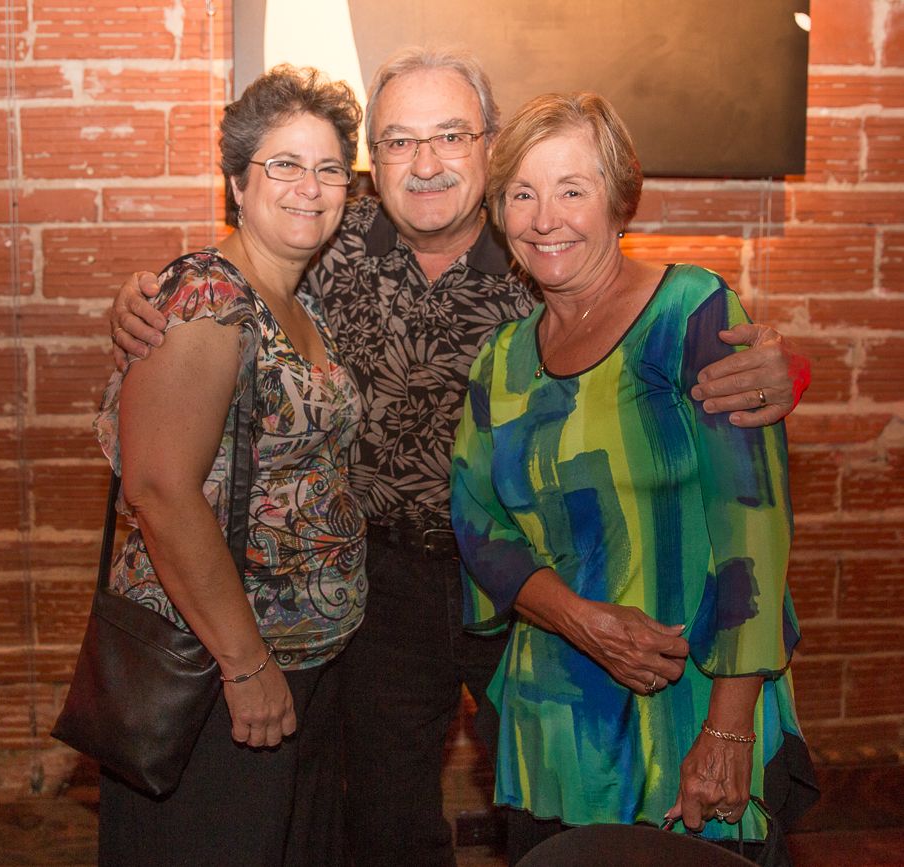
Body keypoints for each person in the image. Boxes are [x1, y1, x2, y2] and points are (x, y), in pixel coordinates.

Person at [109, 48, 810, 867]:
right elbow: (223, 303)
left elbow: (656, 341)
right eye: (400, 141)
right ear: (373, 159)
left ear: (489, 144)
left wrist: (788, 370)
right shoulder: (323, 238)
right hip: (377, 588)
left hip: (532, 590)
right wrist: (140, 303)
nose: (427, 163)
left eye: (450, 135)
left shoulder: (539, 251)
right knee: (384, 821)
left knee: (562, 798)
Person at [451, 91, 817, 865]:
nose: (545, 217)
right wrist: (580, 618)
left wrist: (729, 728)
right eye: (523, 193)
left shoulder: (691, 313)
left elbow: (753, 525)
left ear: (619, 201)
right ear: (501, 213)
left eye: (572, 189)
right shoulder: (500, 360)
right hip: (556, 724)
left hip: (691, 713)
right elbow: (478, 524)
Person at [93, 65, 367, 867]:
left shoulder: (297, 301)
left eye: (328, 168)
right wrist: (246, 665)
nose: (310, 186)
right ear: (238, 184)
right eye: (285, 164)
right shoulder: (207, 298)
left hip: (302, 663)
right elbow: (159, 489)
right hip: (214, 675)